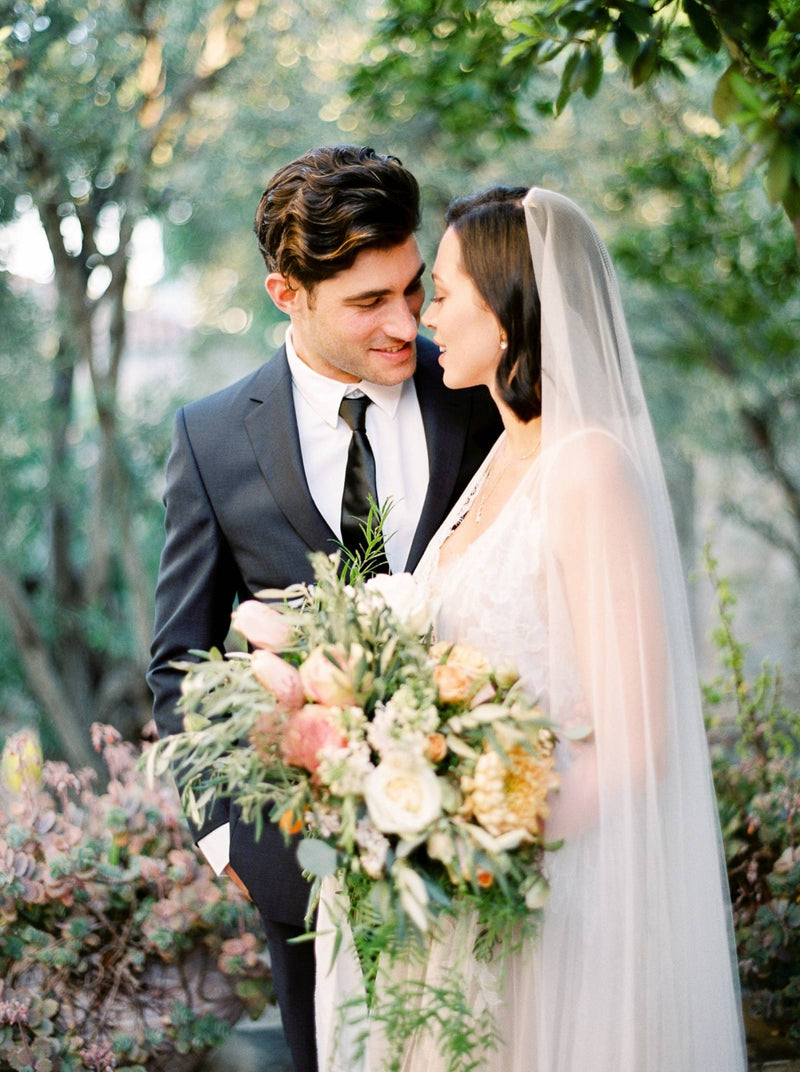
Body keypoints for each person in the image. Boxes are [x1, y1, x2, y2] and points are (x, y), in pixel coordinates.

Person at [319, 186, 748, 1071]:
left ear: (509, 309)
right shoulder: (503, 459)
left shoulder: (587, 470)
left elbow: (639, 744)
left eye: (440, 290)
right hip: (474, 902)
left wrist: (480, 847)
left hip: (548, 897)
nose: (424, 315)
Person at [146, 145, 501, 1072]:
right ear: (285, 293)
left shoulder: (477, 395)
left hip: (494, 848)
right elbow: (177, 660)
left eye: (413, 289)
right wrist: (227, 835)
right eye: (367, 302)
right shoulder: (212, 436)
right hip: (303, 869)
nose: (404, 323)